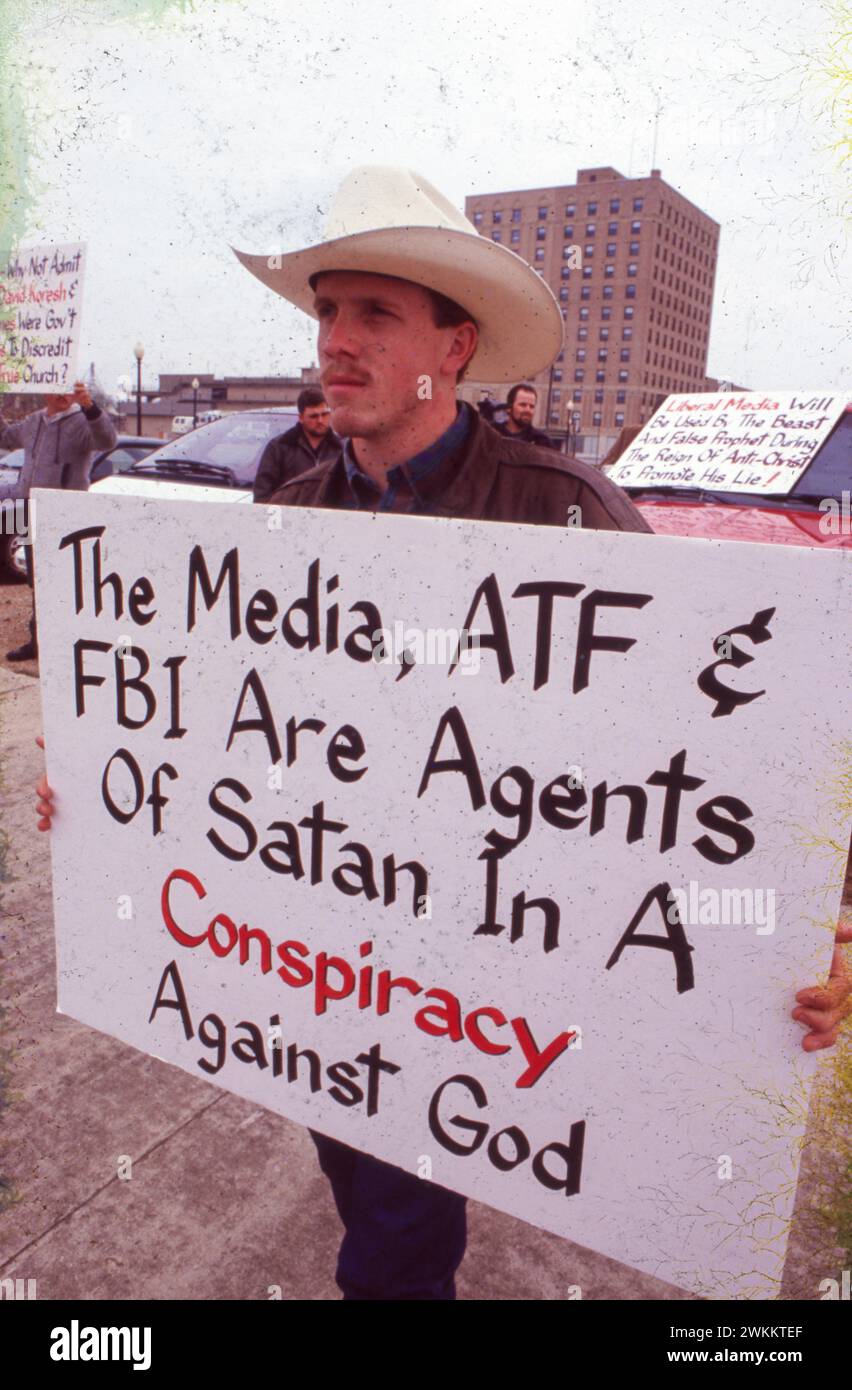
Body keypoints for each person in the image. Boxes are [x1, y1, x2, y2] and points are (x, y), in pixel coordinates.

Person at [35, 166, 852, 1301]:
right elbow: (207, 728)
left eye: (376, 312)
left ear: (455, 347)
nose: (337, 339)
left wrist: (823, 920)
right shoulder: (291, 515)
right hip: (317, 956)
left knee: (398, 1231)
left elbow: (726, 747)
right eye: (328, 310)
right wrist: (97, 777)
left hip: (484, 962)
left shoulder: (569, 513)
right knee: (359, 1161)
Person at [1, 381, 117, 661]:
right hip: (29, 509)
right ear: (45, 390)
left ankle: (67, 642)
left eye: (68, 390)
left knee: (66, 579)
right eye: (57, 388)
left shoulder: (81, 422)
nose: (63, 395)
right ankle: (38, 641)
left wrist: (90, 408)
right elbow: (5, 438)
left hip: (64, 513)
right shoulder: (33, 421)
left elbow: (107, 441)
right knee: (36, 578)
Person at [252, 387, 341, 502]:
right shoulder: (278, 447)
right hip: (289, 516)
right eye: (313, 416)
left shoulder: (340, 448)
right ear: (301, 418)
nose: (320, 420)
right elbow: (262, 495)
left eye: (324, 414)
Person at [493, 382, 559, 450]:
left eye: (532, 406)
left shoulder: (542, 441)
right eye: (523, 405)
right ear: (508, 408)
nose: (528, 410)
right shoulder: (493, 434)